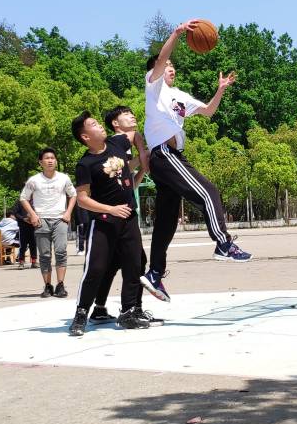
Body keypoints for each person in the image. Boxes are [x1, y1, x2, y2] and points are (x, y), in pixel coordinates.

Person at [140, 20, 250, 304]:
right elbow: (161, 60)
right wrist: (176, 34)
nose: (171, 67)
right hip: (164, 154)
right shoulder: (153, 86)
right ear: (157, 69)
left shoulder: (178, 96)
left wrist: (221, 89)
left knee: (166, 222)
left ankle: (154, 273)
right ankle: (223, 243)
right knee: (208, 192)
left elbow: (208, 111)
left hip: (170, 158)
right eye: (167, 65)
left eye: (173, 65)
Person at [68, 111, 149, 335]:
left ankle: (128, 312)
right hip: (104, 222)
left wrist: (142, 156)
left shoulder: (116, 143)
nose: (100, 126)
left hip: (128, 218)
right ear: (85, 137)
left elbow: (134, 134)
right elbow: (82, 199)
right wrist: (110, 209)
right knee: (95, 269)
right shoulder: (86, 164)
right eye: (94, 124)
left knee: (134, 265)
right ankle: (81, 314)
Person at [89, 105, 161, 326]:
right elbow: (133, 142)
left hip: (123, 210)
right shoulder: (116, 142)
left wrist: (142, 167)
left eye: (132, 114)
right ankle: (131, 309)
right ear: (115, 123)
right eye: (126, 114)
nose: (132, 116)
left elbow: (129, 183)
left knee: (114, 263)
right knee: (135, 261)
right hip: (115, 214)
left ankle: (100, 308)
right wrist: (142, 154)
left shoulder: (121, 146)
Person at [20, 148, 77, 299]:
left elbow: (73, 195)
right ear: (41, 162)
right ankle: (47, 285)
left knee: (61, 252)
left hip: (60, 219)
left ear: (56, 161)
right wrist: (33, 214)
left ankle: (60, 285)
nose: (50, 160)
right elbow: (23, 198)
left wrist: (68, 212)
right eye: (47, 158)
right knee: (44, 255)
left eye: (52, 158)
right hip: (41, 220)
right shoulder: (34, 180)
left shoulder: (64, 178)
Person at [14, 199, 38, 270]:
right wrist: (23, 218)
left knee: (33, 245)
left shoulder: (34, 201)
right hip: (23, 226)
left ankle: (34, 262)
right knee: (23, 245)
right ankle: (21, 262)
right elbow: (15, 213)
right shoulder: (19, 201)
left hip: (33, 226)